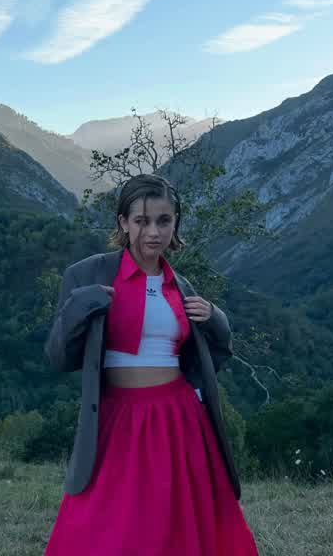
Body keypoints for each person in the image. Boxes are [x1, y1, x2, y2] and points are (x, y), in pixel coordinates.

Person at [43, 174, 259, 555]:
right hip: (118, 419)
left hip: (179, 418)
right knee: (110, 526)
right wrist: (79, 307)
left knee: (179, 524)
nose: (153, 232)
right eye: (142, 221)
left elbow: (212, 360)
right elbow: (59, 356)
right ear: (123, 222)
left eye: (164, 220)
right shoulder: (88, 273)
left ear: (175, 224)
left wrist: (217, 319)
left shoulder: (182, 286)